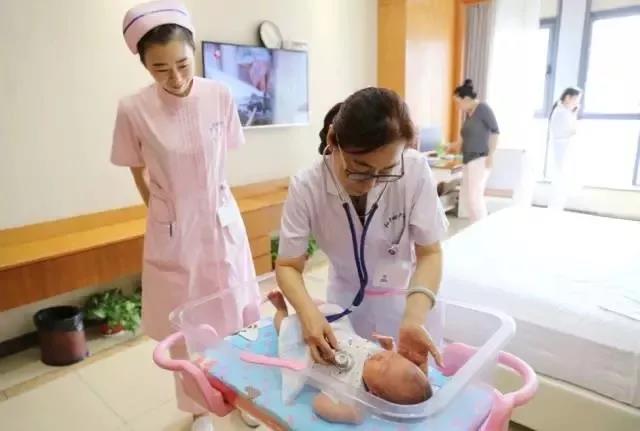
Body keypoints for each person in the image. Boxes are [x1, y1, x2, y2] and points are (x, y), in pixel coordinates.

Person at [111, 2, 260, 430]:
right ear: (143, 64)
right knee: (185, 326)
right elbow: (135, 168)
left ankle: (243, 395)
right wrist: (161, 212)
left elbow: (224, 155)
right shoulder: (133, 109)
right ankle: (198, 408)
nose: (175, 77)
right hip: (174, 229)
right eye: (160, 68)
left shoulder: (219, 95)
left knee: (237, 315)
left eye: (182, 64)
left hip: (221, 221)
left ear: (194, 51)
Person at [275, 87, 448, 374]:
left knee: (412, 387)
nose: (371, 182)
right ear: (333, 141)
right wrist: (309, 314)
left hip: (410, 301)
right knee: (351, 381)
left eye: (386, 171)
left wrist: (414, 319)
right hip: (347, 303)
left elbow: (430, 253)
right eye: (360, 167)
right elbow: (288, 265)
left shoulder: (415, 170)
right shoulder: (307, 187)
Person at [267, 290, 432, 424]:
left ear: (375, 393)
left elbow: (319, 404)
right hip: (335, 329)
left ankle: (281, 311)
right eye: (394, 357)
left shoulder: (352, 392)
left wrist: (348, 414)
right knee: (321, 307)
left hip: (309, 350)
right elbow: (392, 364)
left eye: (383, 368)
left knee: (284, 330)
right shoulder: (380, 359)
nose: (383, 357)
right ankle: (302, 306)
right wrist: (389, 347)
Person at [450, 79, 500, 223]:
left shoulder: (483, 109)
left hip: (480, 158)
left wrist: (491, 155)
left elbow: (495, 132)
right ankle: (475, 227)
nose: (458, 107)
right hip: (468, 160)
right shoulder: (469, 113)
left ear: (466, 99)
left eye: (458, 103)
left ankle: (481, 228)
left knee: (475, 197)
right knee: (468, 198)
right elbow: (465, 137)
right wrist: (452, 146)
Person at [547, 87, 582, 210]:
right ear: (567, 98)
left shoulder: (562, 111)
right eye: (576, 100)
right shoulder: (562, 112)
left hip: (562, 149)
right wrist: (574, 115)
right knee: (560, 183)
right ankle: (555, 209)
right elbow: (572, 130)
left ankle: (556, 208)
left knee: (561, 183)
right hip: (562, 150)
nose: (577, 104)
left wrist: (573, 114)